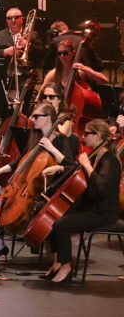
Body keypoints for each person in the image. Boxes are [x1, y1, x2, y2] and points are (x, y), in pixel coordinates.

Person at [0, 101, 77, 262]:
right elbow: (20, 161)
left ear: (48, 118)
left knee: (33, 208)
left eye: (36, 116)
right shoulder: (35, 138)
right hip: (28, 188)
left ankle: (43, 246)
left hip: (49, 190)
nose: (32, 119)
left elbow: (71, 166)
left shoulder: (61, 140)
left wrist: (52, 149)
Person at [43, 118, 121, 285]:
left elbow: (102, 188)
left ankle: (66, 267)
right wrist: (60, 167)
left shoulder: (110, 160)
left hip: (104, 213)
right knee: (53, 217)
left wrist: (88, 166)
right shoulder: (96, 156)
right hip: (91, 208)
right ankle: (57, 263)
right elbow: (76, 168)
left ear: (97, 135)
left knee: (61, 224)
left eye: (86, 133)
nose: (83, 136)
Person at [42, 36, 106, 129]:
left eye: (65, 53)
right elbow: (40, 95)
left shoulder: (80, 72)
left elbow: (104, 80)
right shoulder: (53, 74)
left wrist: (85, 69)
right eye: (59, 53)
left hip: (76, 117)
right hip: (58, 116)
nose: (62, 56)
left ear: (73, 53)